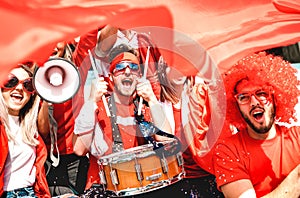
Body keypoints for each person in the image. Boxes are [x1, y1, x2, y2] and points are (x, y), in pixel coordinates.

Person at [73, 43, 183, 197]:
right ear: (111, 77)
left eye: (133, 67)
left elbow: (166, 141)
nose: (127, 71)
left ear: (139, 76)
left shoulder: (144, 105)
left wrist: (151, 100)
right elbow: (79, 149)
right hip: (103, 188)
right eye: (120, 68)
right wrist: (91, 101)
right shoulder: (97, 104)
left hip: (144, 186)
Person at [213, 51, 300, 198]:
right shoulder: (227, 151)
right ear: (235, 105)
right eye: (243, 97)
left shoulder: (297, 137)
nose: (254, 102)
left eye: (261, 93)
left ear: (275, 96)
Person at [38, 41, 90, 197]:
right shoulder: (29, 79)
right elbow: (44, 131)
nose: (52, 47)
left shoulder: (76, 67)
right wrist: (46, 100)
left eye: (57, 41)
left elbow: (90, 38)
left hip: (73, 159)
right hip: (44, 161)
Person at [0, 63, 51, 197]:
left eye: (27, 85)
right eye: (11, 81)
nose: (19, 88)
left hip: (29, 193)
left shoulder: (31, 129)